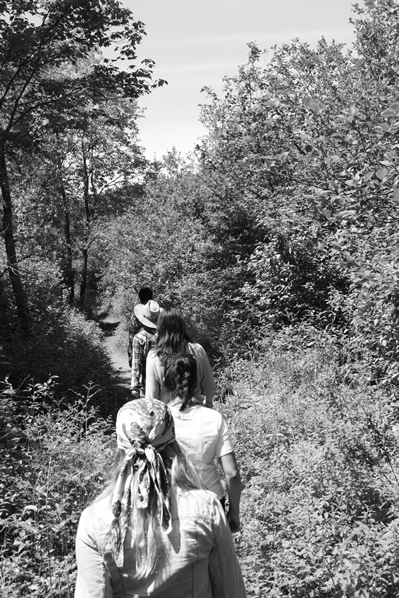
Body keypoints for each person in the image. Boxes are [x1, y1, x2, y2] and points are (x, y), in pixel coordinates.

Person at [74, 398, 246, 598]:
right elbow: (231, 591)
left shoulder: (95, 520)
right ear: (173, 443)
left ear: (121, 449)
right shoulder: (206, 508)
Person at [164, 353, 242, 533]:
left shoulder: (161, 420)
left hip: (173, 503)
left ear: (166, 383)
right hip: (212, 502)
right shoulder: (213, 418)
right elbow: (231, 473)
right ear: (197, 382)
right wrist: (234, 512)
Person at [145, 308, 215, 407]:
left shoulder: (155, 356)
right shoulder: (197, 350)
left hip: (169, 414)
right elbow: (209, 385)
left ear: (160, 328)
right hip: (196, 409)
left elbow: (151, 397)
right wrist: (208, 404)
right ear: (182, 326)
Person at [130, 300, 161, 399]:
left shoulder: (139, 338)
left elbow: (136, 362)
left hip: (146, 383)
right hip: (165, 383)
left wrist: (135, 386)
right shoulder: (165, 336)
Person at [127, 287, 154, 367]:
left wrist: (130, 354)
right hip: (156, 354)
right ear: (152, 298)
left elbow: (131, 336)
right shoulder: (157, 314)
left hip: (140, 351)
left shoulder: (135, 316)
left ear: (139, 298)